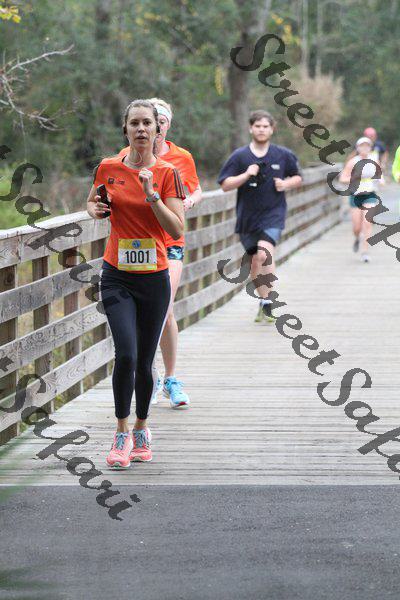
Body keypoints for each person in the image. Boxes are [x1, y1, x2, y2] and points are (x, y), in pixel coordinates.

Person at [86, 99, 185, 469]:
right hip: (117, 275)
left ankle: (142, 428)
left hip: (154, 278)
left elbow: (176, 228)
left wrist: (152, 195)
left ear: (158, 129)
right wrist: (95, 209)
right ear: (125, 129)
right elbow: (92, 202)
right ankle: (121, 432)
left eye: (147, 123)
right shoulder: (108, 167)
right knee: (125, 354)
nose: (141, 129)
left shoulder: (167, 173)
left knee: (144, 360)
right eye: (134, 123)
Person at [118, 98, 202, 409]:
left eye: (160, 121)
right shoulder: (123, 158)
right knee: (142, 314)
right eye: (139, 122)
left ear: (163, 125)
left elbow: (196, 188)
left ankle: (170, 378)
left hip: (169, 242)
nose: (154, 127)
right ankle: (148, 375)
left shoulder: (180, 158)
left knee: (164, 308)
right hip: (137, 245)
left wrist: (188, 201)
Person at [217, 109, 302, 323]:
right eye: (258, 126)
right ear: (250, 128)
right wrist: (246, 174)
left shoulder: (283, 155)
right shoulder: (240, 156)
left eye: (265, 126)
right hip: (247, 217)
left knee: (264, 254)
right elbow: (225, 185)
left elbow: (298, 177)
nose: (261, 130)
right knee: (255, 261)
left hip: (273, 214)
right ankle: (264, 301)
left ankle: (268, 299)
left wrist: (286, 184)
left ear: (272, 129)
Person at [339, 136, 382, 263]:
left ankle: (365, 252)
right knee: (357, 227)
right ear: (357, 148)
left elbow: (380, 175)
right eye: (362, 146)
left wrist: (380, 180)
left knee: (367, 223)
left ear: (370, 148)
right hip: (356, 196)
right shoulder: (353, 162)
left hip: (370, 194)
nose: (364, 148)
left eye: (367, 146)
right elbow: (342, 179)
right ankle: (357, 238)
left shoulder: (374, 160)